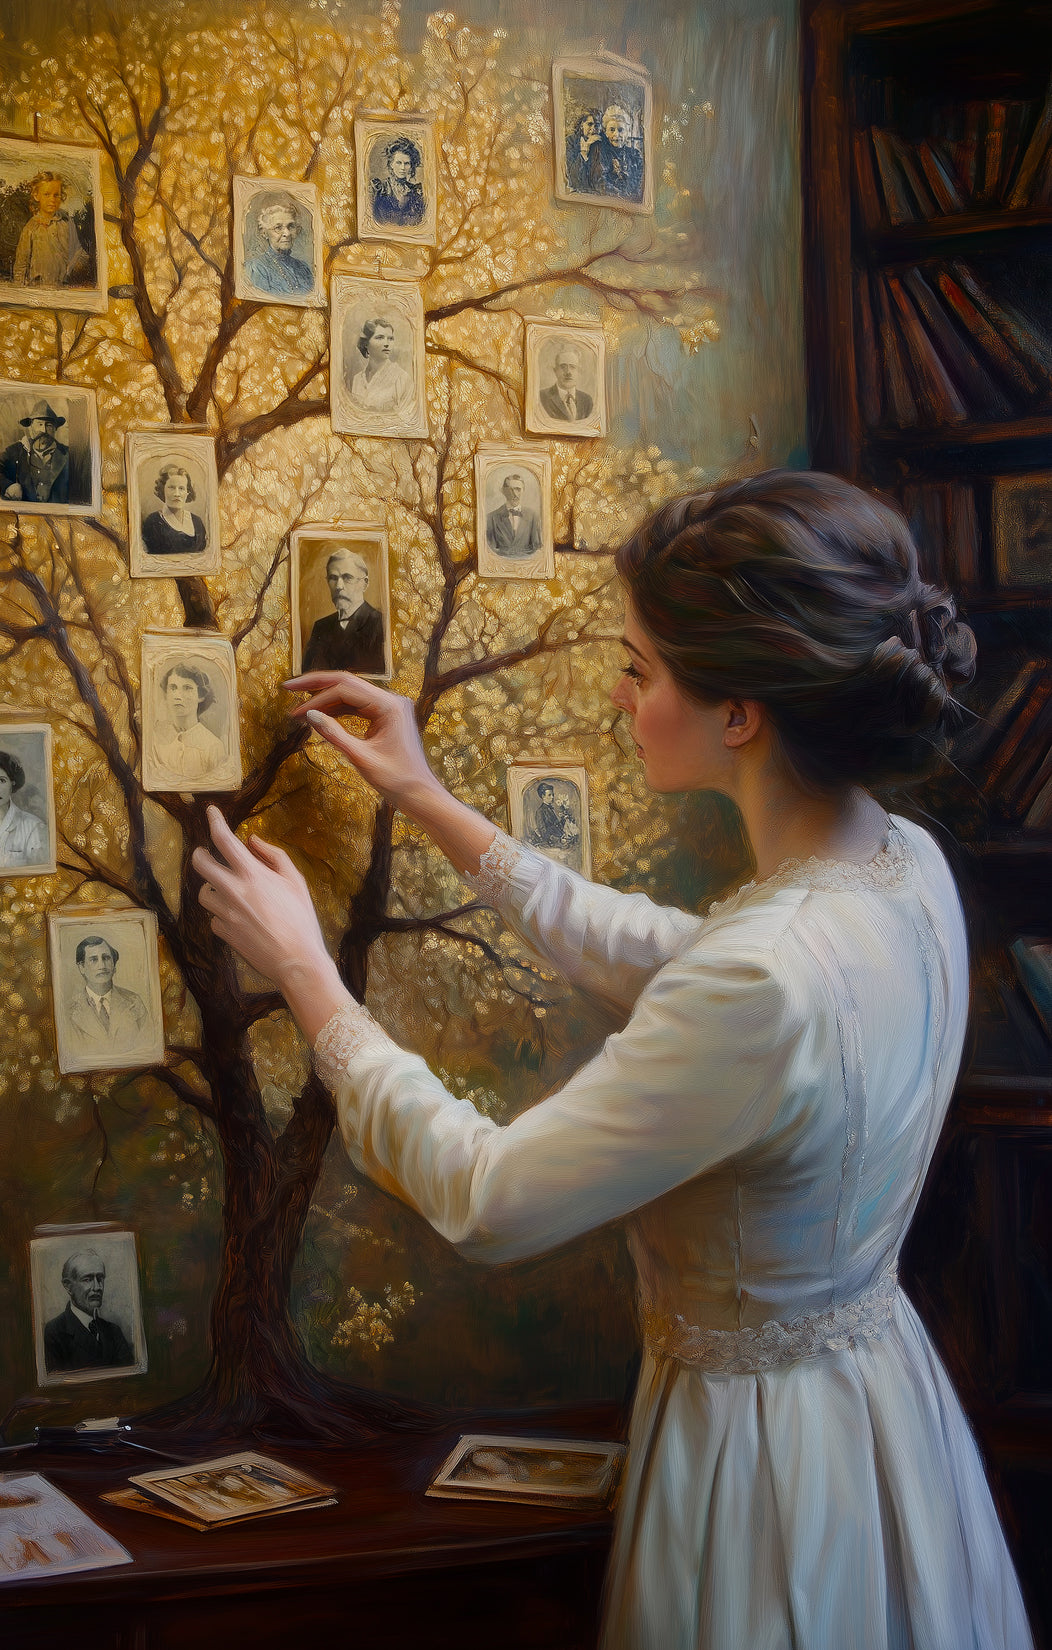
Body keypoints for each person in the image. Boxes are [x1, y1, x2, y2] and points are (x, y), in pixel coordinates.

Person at [194, 469, 1034, 1650]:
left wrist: (308, 978)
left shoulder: (761, 975)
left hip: (761, 1467)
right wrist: (432, 802)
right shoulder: (904, 867)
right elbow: (672, 955)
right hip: (883, 1419)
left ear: (737, 712)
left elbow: (489, 1200)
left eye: (639, 670)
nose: (619, 693)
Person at [42, 1250, 135, 1372]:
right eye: (88, 1279)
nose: (97, 1287)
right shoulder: (54, 1332)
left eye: (100, 1278)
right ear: (68, 1286)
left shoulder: (113, 1331)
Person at [302, 550, 385, 675]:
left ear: (364, 583)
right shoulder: (321, 626)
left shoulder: (381, 624)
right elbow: (308, 675)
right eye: (333, 578)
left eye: (347, 578)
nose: (338, 586)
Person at [67, 934, 150, 1053]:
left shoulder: (134, 1002)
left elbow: (147, 1046)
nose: (102, 966)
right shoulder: (69, 1010)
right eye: (93, 959)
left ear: (114, 965)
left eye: (106, 958)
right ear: (82, 968)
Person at [149, 662, 228, 784]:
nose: (178, 696)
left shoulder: (213, 747)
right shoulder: (155, 741)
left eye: (187, 688)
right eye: (173, 688)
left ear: (200, 696)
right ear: (166, 694)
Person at [11, 170, 90, 288]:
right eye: (47, 194)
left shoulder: (67, 223)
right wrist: (19, 288)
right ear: (36, 196)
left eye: (56, 195)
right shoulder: (31, 227)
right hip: (37, 289)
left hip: (64, 288)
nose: (52, 199)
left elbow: (80, 253)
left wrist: (71, 272)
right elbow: (21, 264)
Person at [0, 399, 82, 506]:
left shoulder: (69, 455)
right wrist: (7, 485)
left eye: (49, 425)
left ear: (55, 429)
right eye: (39, 424)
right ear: (31, 427)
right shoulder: (15, 451)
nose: (44, 430)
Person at [243, 194, 314, 296]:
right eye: (278, 227)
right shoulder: (256, 268)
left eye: (291, 226)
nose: (287, 233)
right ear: (264, 233)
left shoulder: (304, 268)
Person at [140, 461, 208, 558]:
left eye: (181, 488)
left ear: (187, 492)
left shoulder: (197, 521)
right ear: (162, 489)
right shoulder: (153, 522)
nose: (177, 494)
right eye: (171, 488)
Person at [348, 317, 413, 413]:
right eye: (380, 338)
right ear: (366, 343)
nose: (387, 344)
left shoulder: (402, 378)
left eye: (390, 339)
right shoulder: (357, 379)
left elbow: (407, 418)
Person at [587, 104, 645, 203]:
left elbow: (639, 184)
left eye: (621, 130)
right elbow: (600, 183)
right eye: (612, 130)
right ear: (605, 132)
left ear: (627, 132)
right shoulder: (600, 151)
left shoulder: (635, 155)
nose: (616, 135)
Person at [369, 136, 425, 228]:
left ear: (411, 166)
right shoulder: (379, 188)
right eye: (399, 163)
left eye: (407, 163)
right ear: (391, 164)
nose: (402, 168)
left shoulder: (416, 192)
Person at [485, 472, 541, 557]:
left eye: (518, 489)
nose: (514, 494)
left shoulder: (533, 516)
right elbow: (489, 551)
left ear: (523, 490)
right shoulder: (491, 518)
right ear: (503, 491)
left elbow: (537, 548)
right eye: (510, 490)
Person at [539, 341, 593, 424]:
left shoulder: (587, 400)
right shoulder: (542, 397)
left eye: (572, 367)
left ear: (578, 371)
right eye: (563, 366)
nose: (568, 372)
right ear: (555, 371)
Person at [527, 779, 579, 857]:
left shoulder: (550, 809)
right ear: (543, 796)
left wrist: (564, 819)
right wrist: (560, 840)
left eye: (553, 795)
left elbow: (556, 827)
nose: (552, 797)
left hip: (561, 841)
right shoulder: (540, 812)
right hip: (552, 845)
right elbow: (544, 833)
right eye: (549, 795)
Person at [565, 109, 599, 194]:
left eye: (597, 125)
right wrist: (584, 152)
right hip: (577, 193)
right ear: (581, 125)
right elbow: (573, 177)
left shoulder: (599, 143)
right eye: (590, 124)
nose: (593, 129)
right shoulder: (570, 141)